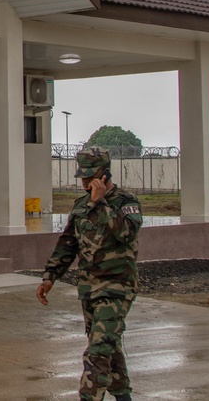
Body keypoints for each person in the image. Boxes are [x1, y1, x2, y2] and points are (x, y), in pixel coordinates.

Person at [36, 146, 142, 401]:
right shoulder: (80, 205)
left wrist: (101, 201)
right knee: (108, 345)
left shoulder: (125, 201)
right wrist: (51, 275)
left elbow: (126, 234)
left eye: (90, 175)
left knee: (98, 350)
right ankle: (123, 396)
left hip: (117, 287)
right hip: (88, 288)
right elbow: (68, 243)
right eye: (82, 175)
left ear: (105, 174)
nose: (84, 180)